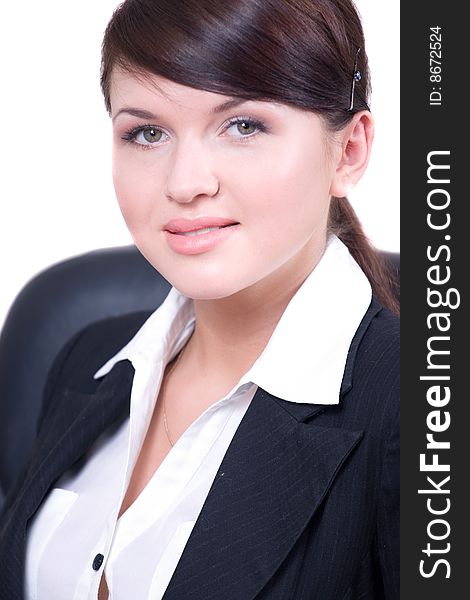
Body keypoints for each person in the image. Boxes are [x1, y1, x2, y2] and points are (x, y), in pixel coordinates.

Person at [0, 0, 399, 598]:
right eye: (147, 132)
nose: (185, 183)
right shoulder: (85, 357)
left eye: (243, 126)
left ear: (349, 151)